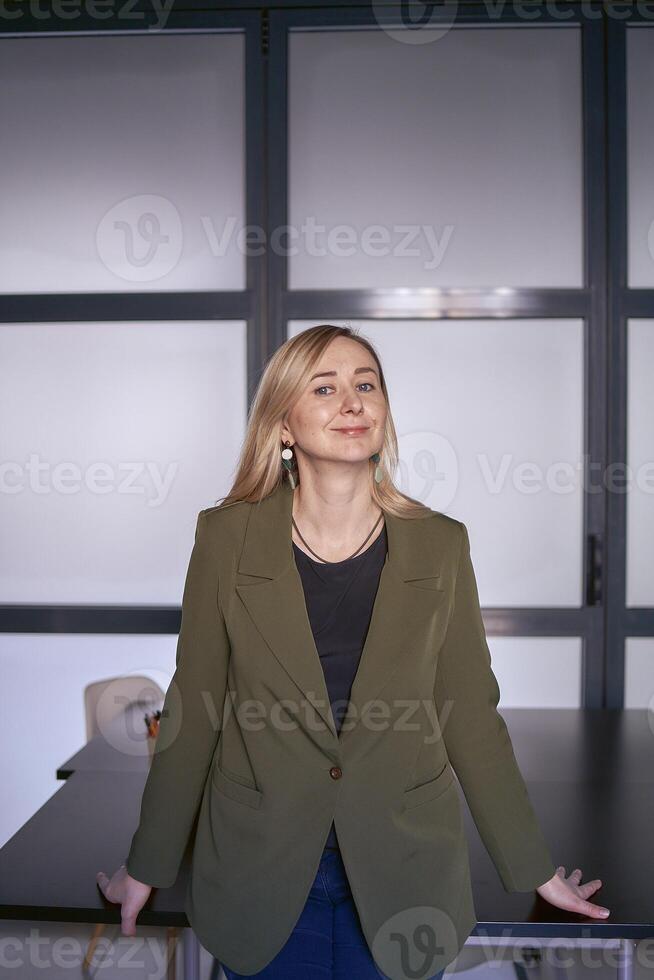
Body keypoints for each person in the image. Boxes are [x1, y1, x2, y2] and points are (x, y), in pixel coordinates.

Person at [97, 325, 609, 980]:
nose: (353, 401)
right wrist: (149, 862)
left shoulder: (439, 543)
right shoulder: (225, 537)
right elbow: (193, 709)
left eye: (367, 384)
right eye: (326, 387)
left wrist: (532, 865)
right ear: (284, 425)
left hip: (405, 872)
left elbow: (469, 715)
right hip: (260, 868)